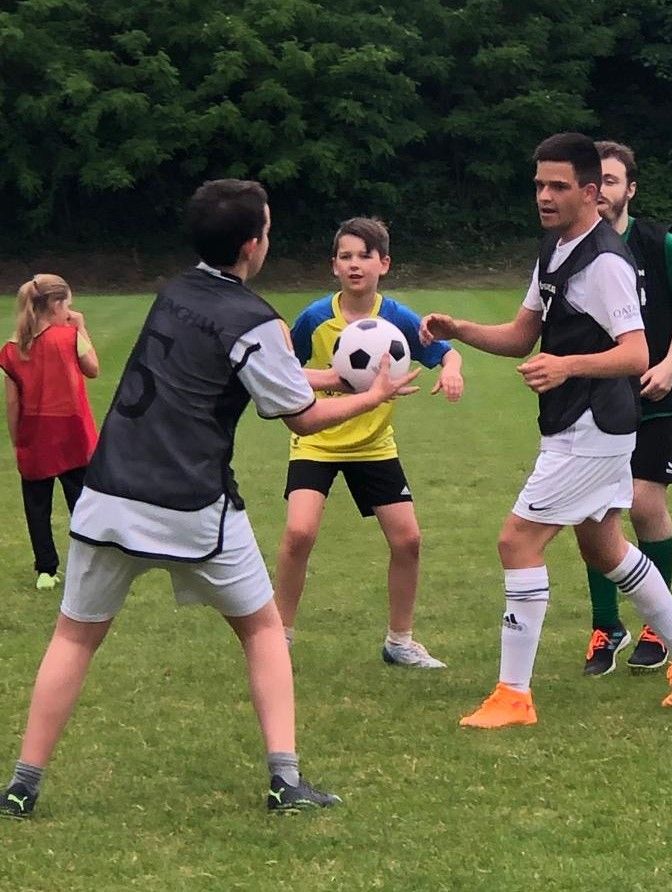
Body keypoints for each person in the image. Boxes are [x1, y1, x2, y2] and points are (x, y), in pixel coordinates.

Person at [0, 179, 417, 820]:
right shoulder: (254, 318)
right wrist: (373, 394)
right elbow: (301, 419)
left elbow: (240, 367)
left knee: (75, 637)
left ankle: (22, 786)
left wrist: (330, 374)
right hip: (191, 501)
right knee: (262, 628)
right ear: (253, 244)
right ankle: (285, 780)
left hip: (109, 491)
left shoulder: (174, 292)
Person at [419, 132, 672, 728]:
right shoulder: (554, 249)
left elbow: (637, 354)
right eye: (539, 184)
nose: (544, 195)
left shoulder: (608, 260)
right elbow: (518, 336)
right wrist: (458, 328)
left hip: (592, 424)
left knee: (517, 541)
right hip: (581, 422)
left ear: (591, 192)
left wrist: (567, 366)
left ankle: (513, 695)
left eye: (558, 185)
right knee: (604, 546)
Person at [275, 217, 463, 669]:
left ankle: (400, 641)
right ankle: (276, 639)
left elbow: (443, 351)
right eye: (346, 256)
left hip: (374, 443)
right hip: (318, 439)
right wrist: (326, 385)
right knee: (299, 533)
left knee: (408, 540)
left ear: (385, 263)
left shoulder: (397, 317)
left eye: (365, 256)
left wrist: (452, 369)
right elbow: (282, 371)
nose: (355, 264)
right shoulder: (315, 318)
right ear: (334, 266)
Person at [578, 140, 672, 676]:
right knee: (592, 512)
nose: (602, 190)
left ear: (629, 188)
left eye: (612, 180)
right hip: (594, 403)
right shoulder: (570, 247)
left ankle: (658, 622)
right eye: (596, 180)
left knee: (642, 504)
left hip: (657, 399)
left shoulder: (658, 243)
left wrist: (671, 361)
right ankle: (606, 627)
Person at [0, 275, 100, 591]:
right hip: (73, 434)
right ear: (56, 305)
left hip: (36, 437)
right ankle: (89, 565)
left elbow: (13, 404)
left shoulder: (13, 349)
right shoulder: (70, 336)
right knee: (82, 504)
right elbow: (93, 369)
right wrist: (81, 325)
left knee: (37, 507)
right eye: (67, 305)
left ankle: (46, 570)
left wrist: (19, 441)